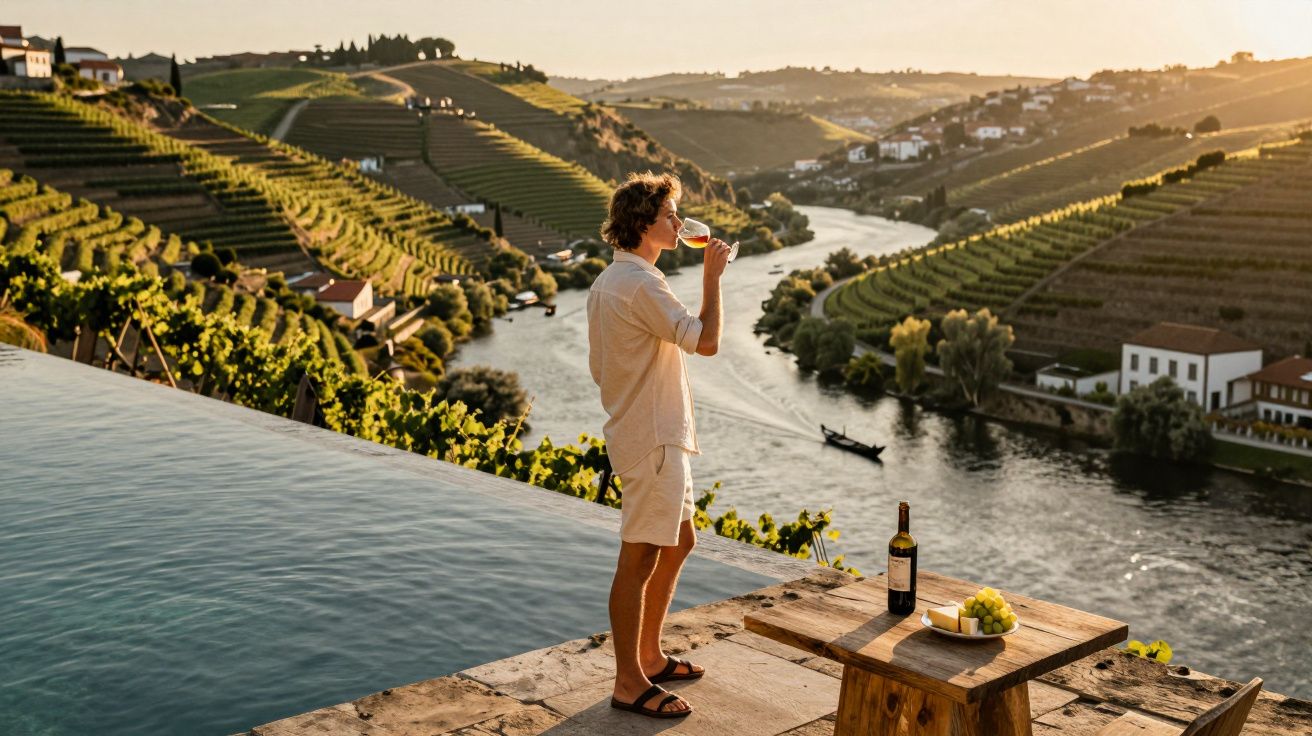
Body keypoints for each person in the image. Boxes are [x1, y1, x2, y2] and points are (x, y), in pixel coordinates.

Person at [587, 172, 730, 719]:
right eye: (671, 214)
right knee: (639, 556)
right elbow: (708, 341)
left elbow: (601, 369)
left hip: (643, 432)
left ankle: (648, 653)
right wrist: (712, 277)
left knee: (680, 540)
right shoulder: (644, 285)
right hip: (655, 439)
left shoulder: (608, 283)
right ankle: (628, 682)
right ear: (646, 223)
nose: (679, 223)